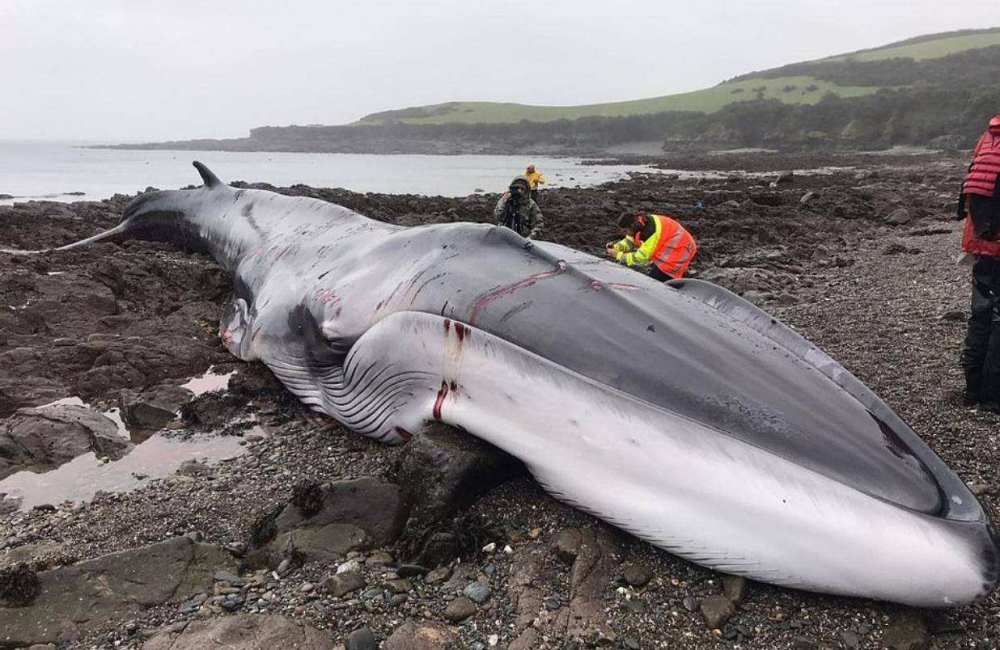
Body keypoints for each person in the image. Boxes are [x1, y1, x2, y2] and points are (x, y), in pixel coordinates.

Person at [959, 114, 1000, 409]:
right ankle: (993, 397)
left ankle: (973, 389)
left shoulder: (987, 137)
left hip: (980, 240)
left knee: (981, 313)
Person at [606, 211, 697, 281]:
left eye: (625, 231)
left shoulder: (650, 232)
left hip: (680, 250)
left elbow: (641, 258)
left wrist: (618, 256)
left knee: (655, 283)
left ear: (631, 226)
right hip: (674, 245)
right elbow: (630, 241)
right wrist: (616, 247)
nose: (625, 234)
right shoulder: (640, 223)